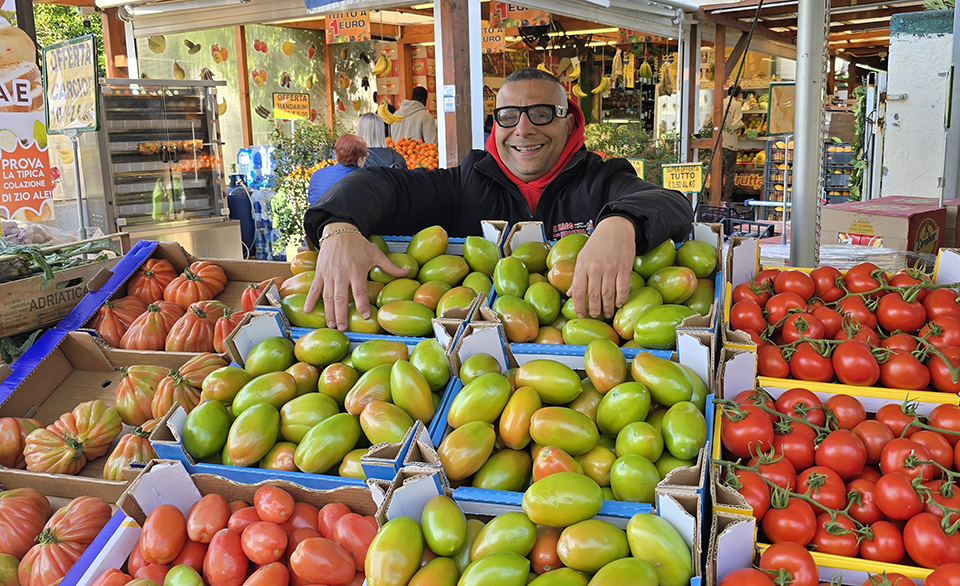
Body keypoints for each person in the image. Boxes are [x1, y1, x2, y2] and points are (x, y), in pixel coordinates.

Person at [303, 68, 693, 331]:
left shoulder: (602, 178)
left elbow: (671, 202)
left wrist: (620, 223)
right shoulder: (466, 184)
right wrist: (338, 226)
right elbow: (380, 183)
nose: (522, 129)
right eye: (508, 115)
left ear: (570, 121)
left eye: (541, 113)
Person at [704, 85, 744, 203]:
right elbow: (734, 124)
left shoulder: (719, 103)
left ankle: (715, 198)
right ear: (738, 94)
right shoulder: (736, 105)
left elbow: (707, 122)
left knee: (717, 171)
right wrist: (743, 126)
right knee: (730, 173)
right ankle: (726, 199)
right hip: (730, 143)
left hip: (718, 143)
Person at [306, 134, 366, 207]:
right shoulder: (362, 180)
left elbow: (311, 200)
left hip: (315, 217)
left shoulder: (316, 175)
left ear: (336, 154)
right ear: (359, 160)